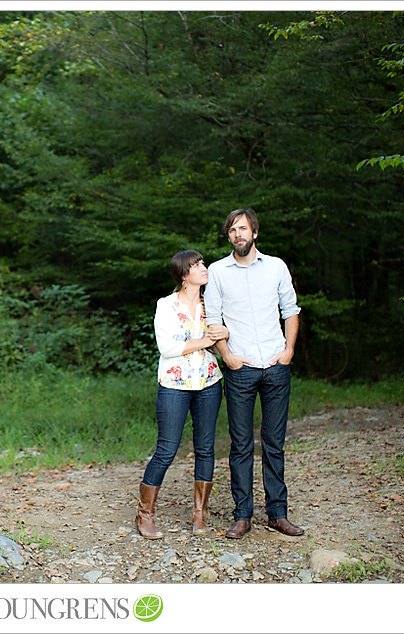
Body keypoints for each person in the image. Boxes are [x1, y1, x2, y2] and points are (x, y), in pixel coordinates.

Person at [204, 208, 305, 539]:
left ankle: (277, 513)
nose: (238, 235)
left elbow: (290, 311)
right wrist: (228, 357)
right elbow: (214, 321)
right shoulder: (217, 272)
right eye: (232, 230)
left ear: (255, 233)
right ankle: (242, 515)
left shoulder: (276, 267)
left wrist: (288, 351)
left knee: (274, 443)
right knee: (241, 444)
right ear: (228, 236)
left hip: (275, 366)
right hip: (241, 369)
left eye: (243, 229)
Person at [136, 250, 229, 539]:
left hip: (209, 383)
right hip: (175, 386)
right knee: (166, 449)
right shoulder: (166, 305)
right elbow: (168, 348)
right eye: (197, 265)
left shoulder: (211, 304)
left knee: (206, 449)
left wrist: (220, 335)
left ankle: (200, 514)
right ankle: (145, 514)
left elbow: (222, 339)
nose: (204, 268)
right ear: (183, 275)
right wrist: (206, 339)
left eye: (202, 263)